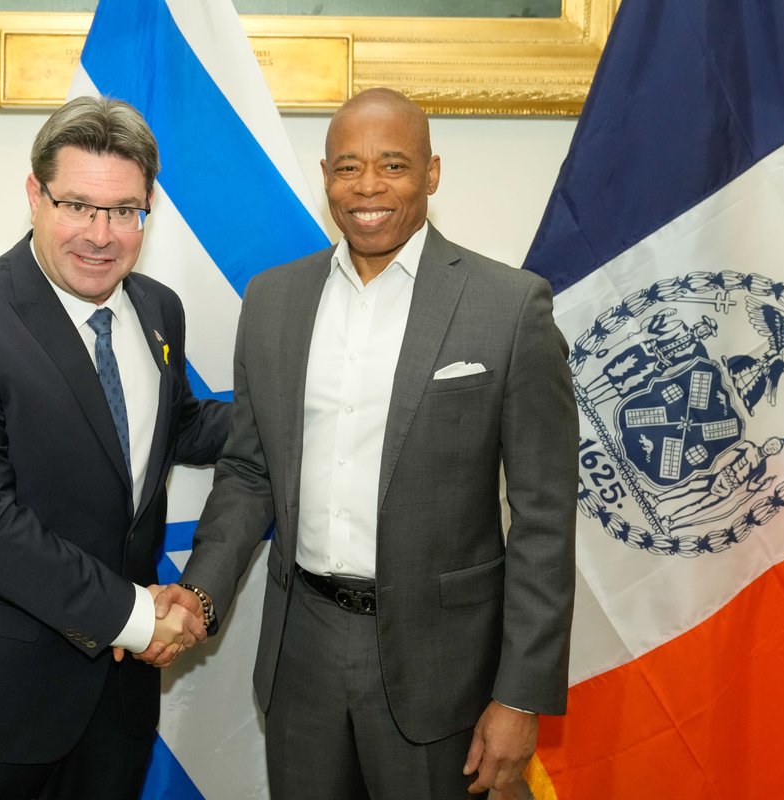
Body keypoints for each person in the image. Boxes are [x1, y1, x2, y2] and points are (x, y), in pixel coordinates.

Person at [150, 88, 579, 798]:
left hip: (443, 669)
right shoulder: (274, 301)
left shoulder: (508, 306)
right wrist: (200, 592)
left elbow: (543, 517)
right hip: (301, 654)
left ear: (432, 173)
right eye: (348, 167)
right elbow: (250, 472)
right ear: (325, 178)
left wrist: (522, 696)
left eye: (394, 165)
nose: (369, 187)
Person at [0, 95, 230, 799]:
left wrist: (310, 411)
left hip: (114, 706)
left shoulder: (157, 308)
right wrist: (140, 618)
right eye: (78, 205)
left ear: (147, 209)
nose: (100, 234)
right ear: (34, 196)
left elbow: (174, 426)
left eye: (123, 210)